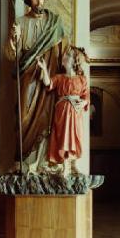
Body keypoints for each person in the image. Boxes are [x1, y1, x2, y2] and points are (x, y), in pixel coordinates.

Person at [4, 0, 66, 174]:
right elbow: (11, 56)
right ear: (28, 0)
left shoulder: (54, 22)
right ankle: (22, 161)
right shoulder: (20, 23)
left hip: (49, 77)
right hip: (28, 76)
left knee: (48, 119)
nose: (39, 2)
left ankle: (43, 163)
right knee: (24, 118)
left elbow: (63, 51)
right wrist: (13, 40)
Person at [37, 45, 89, 176]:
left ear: (74, 60)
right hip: (62, 112)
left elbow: (86, 96)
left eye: (67, 55)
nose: (64, 57)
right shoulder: (60, 78)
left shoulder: (82, 79)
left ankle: (74, 165)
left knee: (75, 137)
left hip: (76, 112)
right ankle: (65, 166)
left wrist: (84, 102)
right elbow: (48, 83)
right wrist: (44, 69)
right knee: (63, 137)